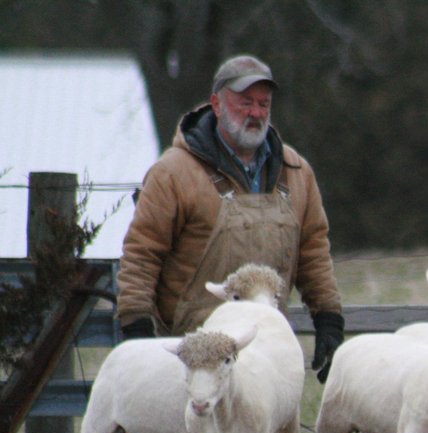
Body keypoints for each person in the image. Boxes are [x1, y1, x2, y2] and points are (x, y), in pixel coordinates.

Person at [117, 54, 344, 382]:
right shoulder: (173, 173)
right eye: (245, 102)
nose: (255, 113)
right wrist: (137, 332)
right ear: (217, 104)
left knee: (257, 431)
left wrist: (329, 321)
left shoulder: (296, 173)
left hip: (265, 354)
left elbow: (314, 254)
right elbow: (142, 255)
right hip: (191, 357)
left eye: (264, 104)